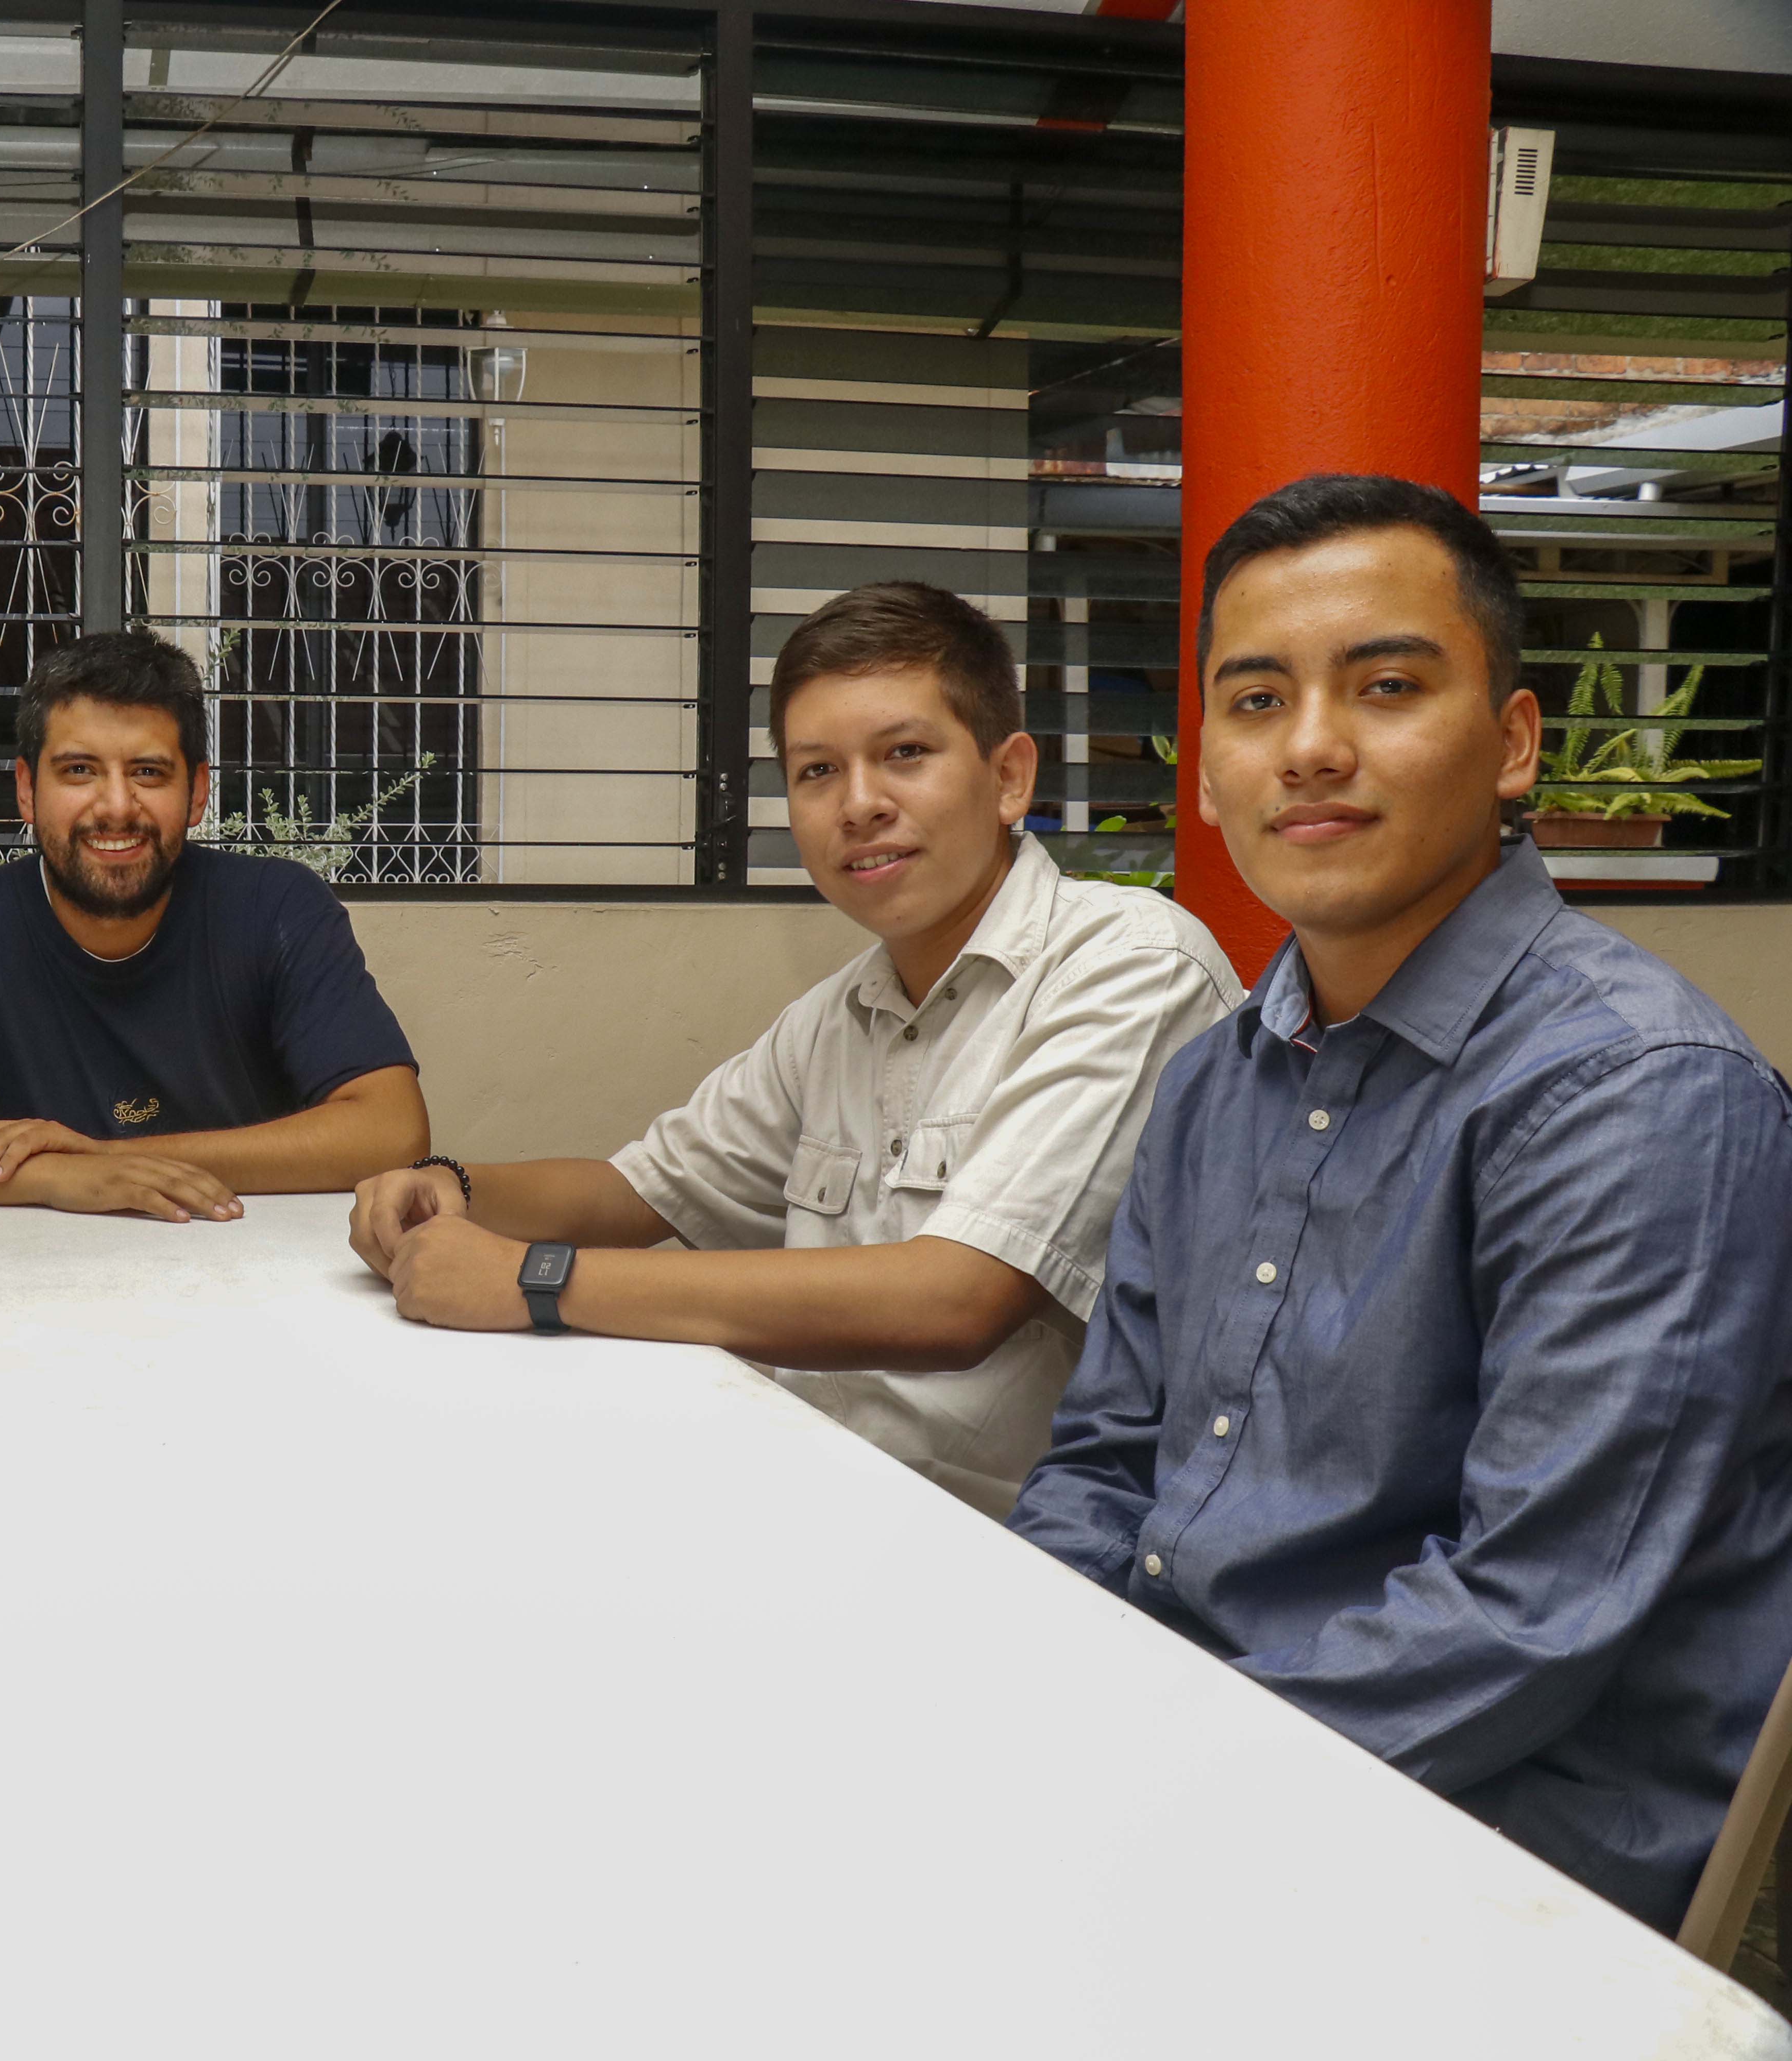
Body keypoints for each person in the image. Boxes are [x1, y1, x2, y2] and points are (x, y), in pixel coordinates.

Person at [1005, 474, 1792, 1931]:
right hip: (1213, 1750)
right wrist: (1030, 1686)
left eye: (1384, 686)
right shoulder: (1211, 1082)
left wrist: (1129, 1785)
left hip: (1499, 1844)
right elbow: (1109, 1463)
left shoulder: (1637, 1095)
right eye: (1255, 703)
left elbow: (1525, 1621)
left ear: (1511, 743)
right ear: (1204, 773)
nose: (1311, 749)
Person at [349, 580, 1239, 1514]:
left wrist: (535, 1280)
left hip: (1010, 1550)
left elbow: (953, 1300)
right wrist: (451, 1183)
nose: (859, 805)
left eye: (905, 754)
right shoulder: (841, 1012)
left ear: (1010, 776)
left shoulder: (1130, 964)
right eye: (818, 772)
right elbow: (639, 1191)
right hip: (803, 1480)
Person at [0, 629, 429, 1222]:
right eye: (79, 771)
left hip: (237, 1274)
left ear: (197, 793)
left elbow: (390, 1130)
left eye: (148, 772)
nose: (115, 806)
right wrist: (53, 1176)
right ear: (27, 790)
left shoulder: (278, 909)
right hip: (11, 1292)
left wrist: (111, 1159)